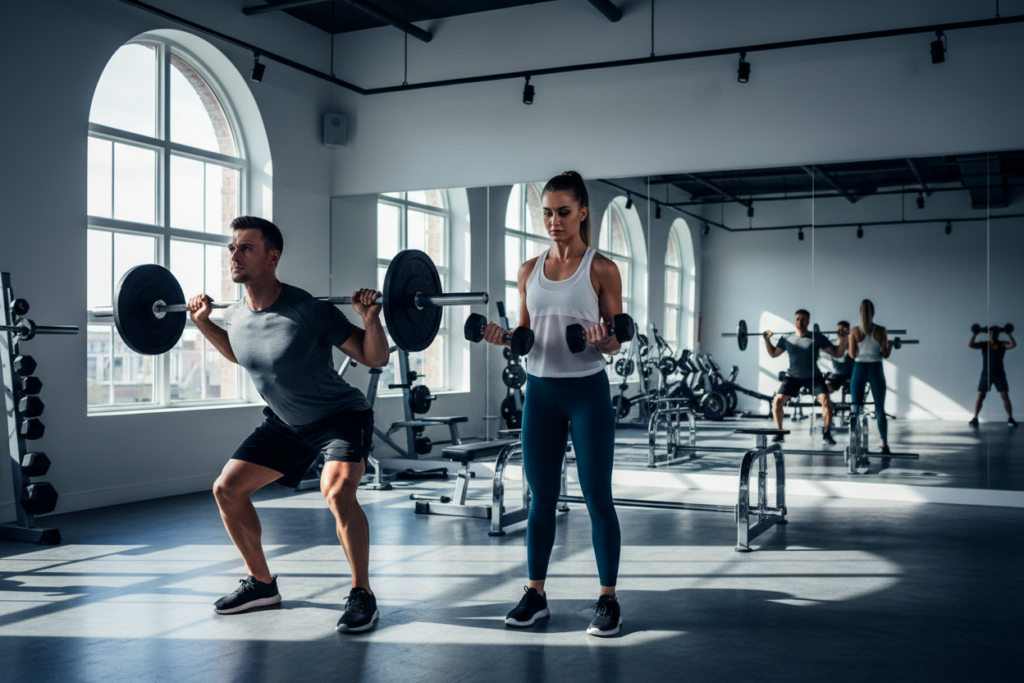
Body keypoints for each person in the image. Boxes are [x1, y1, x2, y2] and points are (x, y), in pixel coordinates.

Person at [187, 216, 390, 633]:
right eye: (232, 248)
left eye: (246, 248)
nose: (234, 255)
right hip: (286, 423)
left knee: (336, 492)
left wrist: (371, 317)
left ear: (272, 257)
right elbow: (240, 353)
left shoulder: (309, 310)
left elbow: (374, 357)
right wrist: (205, 323)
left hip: (339, 418)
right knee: (227, 489)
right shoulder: (238, 315)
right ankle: (261, 584)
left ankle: (362, 593)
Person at [482, 171, 624, 637]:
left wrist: (603, 341)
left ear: (583, 212)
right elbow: (526, 339)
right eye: (546, 212)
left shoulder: (601, 269)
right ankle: (536, 593)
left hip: (587, 392)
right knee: (540, 498)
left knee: (596, 497)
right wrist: (503, 338)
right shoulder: (528, 271)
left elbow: (616, 340)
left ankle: (606, 599)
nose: (554, 221)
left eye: (563, 212)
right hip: (540, 393)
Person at [765, 310, 847, 444]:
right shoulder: (786, 338)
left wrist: (843, 340)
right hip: (793, 376)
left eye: (803, 319)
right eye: (797, 319)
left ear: (808, 321)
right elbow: (773, 353)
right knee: (777, 401)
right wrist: (767, 339)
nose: (800, 322)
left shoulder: (817, 337)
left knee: (826, 400)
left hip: (813, 376)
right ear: (795, 320)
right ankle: (779, 432)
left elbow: (837, 353)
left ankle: (826, 433)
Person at [848, 299, 893, 458]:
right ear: (873, 313)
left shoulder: (854, 331)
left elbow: (853, 355)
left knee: (856, 410)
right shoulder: (882, 330)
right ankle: (884, 444)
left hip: (859, 369)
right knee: (880, 410)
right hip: (875, 369)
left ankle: (855, 443)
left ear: (860, 313)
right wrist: (890, 346)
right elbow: (885, 355)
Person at [969, 326, 1017, 427]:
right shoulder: (984, 345)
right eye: (990, 333)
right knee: (981, 396)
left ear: (998, 334)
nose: (992, 335)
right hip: (985, 375)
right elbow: (971, 345)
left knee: (1004, 396)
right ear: (988, 334)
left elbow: (1013, 345)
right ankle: (975, 418)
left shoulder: (1002, 344)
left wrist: (1008, 333)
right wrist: (976, 333)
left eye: (995, 333)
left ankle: (1010, 419)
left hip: (1000, 375)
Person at [825, 321, 854, 397]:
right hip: (837, 375)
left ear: (848, 331)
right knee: (825, 391)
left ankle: (855, 407)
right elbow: (823, 353)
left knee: (855, 389)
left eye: (843, 330)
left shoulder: (853, 344)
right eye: (839, 330)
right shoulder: (833, 343)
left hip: (851, 375)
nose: (840, 332)